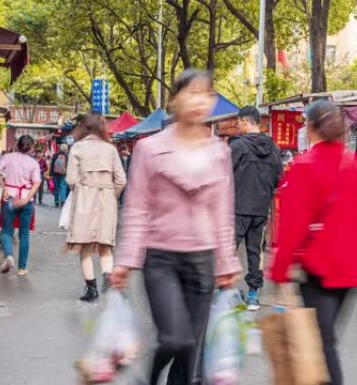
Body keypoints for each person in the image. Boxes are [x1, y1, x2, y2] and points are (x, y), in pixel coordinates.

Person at [110, 69, 241, 385]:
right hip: (161, 258)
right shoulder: (149, 149)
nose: (198, 100)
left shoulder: (220, 152)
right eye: (190, 92)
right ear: (174, 100)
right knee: (173, 338)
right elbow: (137, 206)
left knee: (191, 352)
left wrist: (226, 262)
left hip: (203, 259)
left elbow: (223, 211)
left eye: (204, 94)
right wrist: (126, 260)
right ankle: (150, 377)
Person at [270, 100, 357, 385]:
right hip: (352, 269)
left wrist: (280, 270)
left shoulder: (304, 165)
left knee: (321, 341)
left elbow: (292, 225)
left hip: (319, 266)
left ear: (311, 128)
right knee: (325, 336)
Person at [65, 113, 127, 302]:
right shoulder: (110, 149)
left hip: (84, 197)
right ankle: (109, 279)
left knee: (84, 247)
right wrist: (111, 194)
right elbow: (122, 180)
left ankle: (91, 289)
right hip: (106, 199)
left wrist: (82, 190)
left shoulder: (77, 148)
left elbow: (70, 179)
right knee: (105, 246)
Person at [230, 105, 282, 310]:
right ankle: (253, 295)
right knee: (255, 252)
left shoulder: (238, 147)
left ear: (244, 121)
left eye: (238, 122)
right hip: (261, 209)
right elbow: (279, 178)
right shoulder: (274, 149)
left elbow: (222, 173)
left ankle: (223, 292)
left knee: (228, 251)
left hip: (237, 208)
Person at [0, 135, 42, 276]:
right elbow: (37, 182)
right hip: (26, 200)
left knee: (7, 232)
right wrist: (27, 198)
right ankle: (21, 268)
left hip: (9, 196)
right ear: (31, 147)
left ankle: (9, 255)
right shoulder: (33, 163)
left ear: (17, 145)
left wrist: (3, 186)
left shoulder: (8, 157)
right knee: (24, 234)